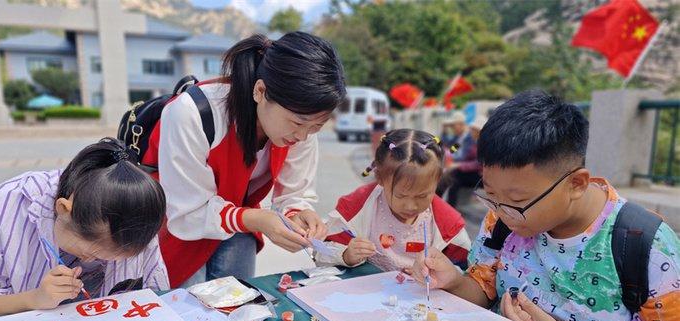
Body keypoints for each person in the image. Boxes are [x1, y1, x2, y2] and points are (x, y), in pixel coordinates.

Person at [413, 91, 680, 321]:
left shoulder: (645, 247)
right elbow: (484, 289)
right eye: (491, 195)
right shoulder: (504, 216)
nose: (501, 212)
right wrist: (454, 281)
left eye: (517, 200)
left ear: (577, 183)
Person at [148, 32, 347, 287]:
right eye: (298, 123)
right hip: (176, 225)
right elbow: (186, 214)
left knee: (238, 304)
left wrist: (297, 213)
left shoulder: (302, 124)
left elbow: (294, 192)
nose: (304, 136)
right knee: (185, 311)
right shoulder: (191, 113)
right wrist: (256, 220)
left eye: (318, 126)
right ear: (260, 91)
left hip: (235, 223)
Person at [0, 138, 169, 319]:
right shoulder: (5, 205)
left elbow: (157, 295)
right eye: (92, 254)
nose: (93, 262)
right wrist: (35, 298)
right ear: (63, 209)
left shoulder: (137, 217)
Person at [316, 129, 471, 271]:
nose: (411, 206)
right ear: (380, 179)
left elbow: (466, 270)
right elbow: (320, 252)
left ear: (437, 182)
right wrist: (346, 255)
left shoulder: (448, 225)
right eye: (400, 195)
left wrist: (440, 273)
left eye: (422, 196)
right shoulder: (357, 207)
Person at [444, 115, 486, 207]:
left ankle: (448, 208)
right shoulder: (457, 138)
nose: (452, 128)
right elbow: (450, 148)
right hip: (465, 167)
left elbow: (462, 156)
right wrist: (444, 132)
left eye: (453, 125)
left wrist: (457, 164)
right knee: (449, 175)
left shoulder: (468, 139)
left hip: (479, 174)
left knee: (453, 178)